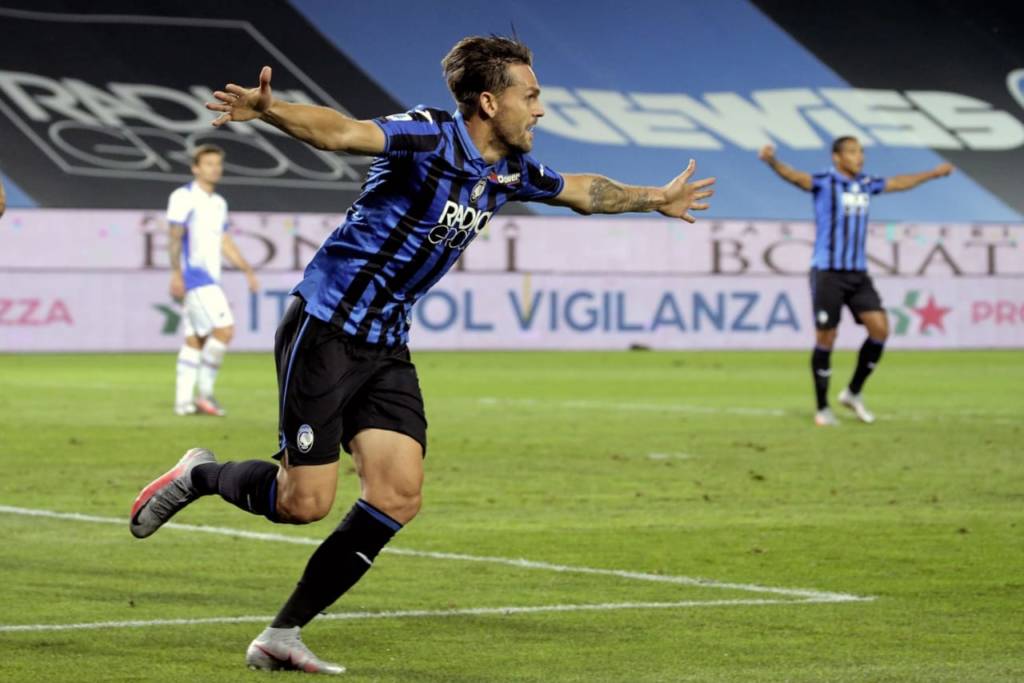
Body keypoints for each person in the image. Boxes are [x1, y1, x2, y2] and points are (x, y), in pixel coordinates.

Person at [130, 35, 715, 674]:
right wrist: (271, 110)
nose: (540, 109)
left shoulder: (510, 171)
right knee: (304, 504)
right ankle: (200, 476)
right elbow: (342, 133)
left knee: (397, 495)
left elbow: (583, 191)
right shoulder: (429, 135)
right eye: (530, 96)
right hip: (326, 327)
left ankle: (282, 635)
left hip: (386, 344)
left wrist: (657, 198)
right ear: (488, 102)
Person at [758, 139, 952, 426]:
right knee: (827, 337)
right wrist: (772, 161)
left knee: (880, 329)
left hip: (857, 274)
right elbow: (797, 177)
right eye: (852, 152)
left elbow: (899, 182)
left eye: (861, 152)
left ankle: (853, 392)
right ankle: (822, 408)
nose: (859, 157)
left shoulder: (866, 184)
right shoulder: (825, 182)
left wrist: (933, 173)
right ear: (837, 157)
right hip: (828, 272)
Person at [168, 145, 259, 416]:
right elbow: (174, 237)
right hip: (196, 276)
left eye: (218, 163)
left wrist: (246, 269)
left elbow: (224, 241)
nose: (215, 168)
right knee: (224, 330)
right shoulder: (183, 197)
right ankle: (205, 394)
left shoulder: (218, 203)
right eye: (208, 163)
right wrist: (176, 273)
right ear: (195, 168)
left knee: (195, 338)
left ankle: (183, 402)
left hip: (210, 277)